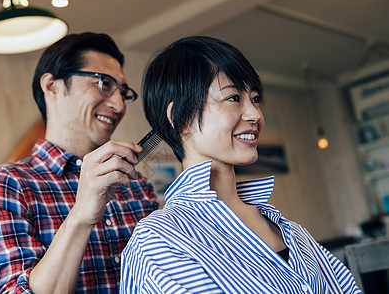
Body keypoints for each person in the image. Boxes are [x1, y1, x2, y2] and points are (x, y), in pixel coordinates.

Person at [120, 36, 361, 293]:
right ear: (181, 118)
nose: (255, 114)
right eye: (233, 98)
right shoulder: (160, 239)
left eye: (255, 99)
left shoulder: (289, 229)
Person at [0, 32, 158, 293]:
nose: (119, 104)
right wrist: (81, 215)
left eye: (124, 92)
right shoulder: (4, 188)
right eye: (104, 83)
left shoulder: (135, 185)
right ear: (52, 86)